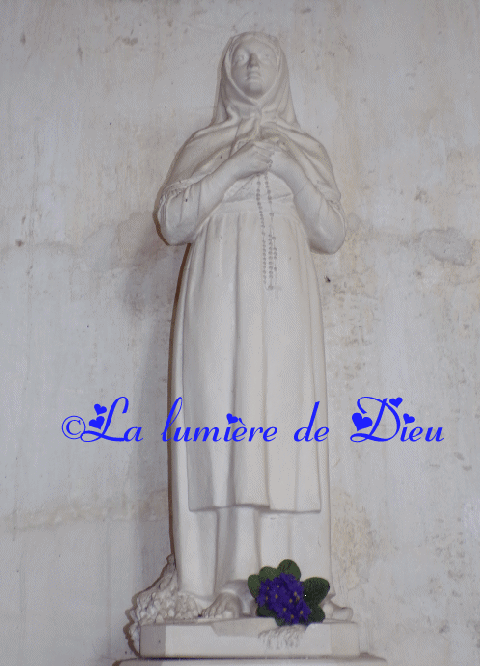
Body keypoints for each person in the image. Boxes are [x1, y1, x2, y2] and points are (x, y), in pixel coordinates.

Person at [157, 32, 346, 619]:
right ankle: (227, 577)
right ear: (226, 72)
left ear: (282, 70)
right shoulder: (204, 146)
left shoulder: (304, 146)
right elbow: (173, 219)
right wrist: (233, 165)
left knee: (283, 427)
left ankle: (299, 577)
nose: (252, 61)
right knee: (225, 423)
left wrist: (287, 166)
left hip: (284, 304)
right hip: (218, 298)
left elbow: (331, 231)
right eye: (240, 54)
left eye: (264, 53)